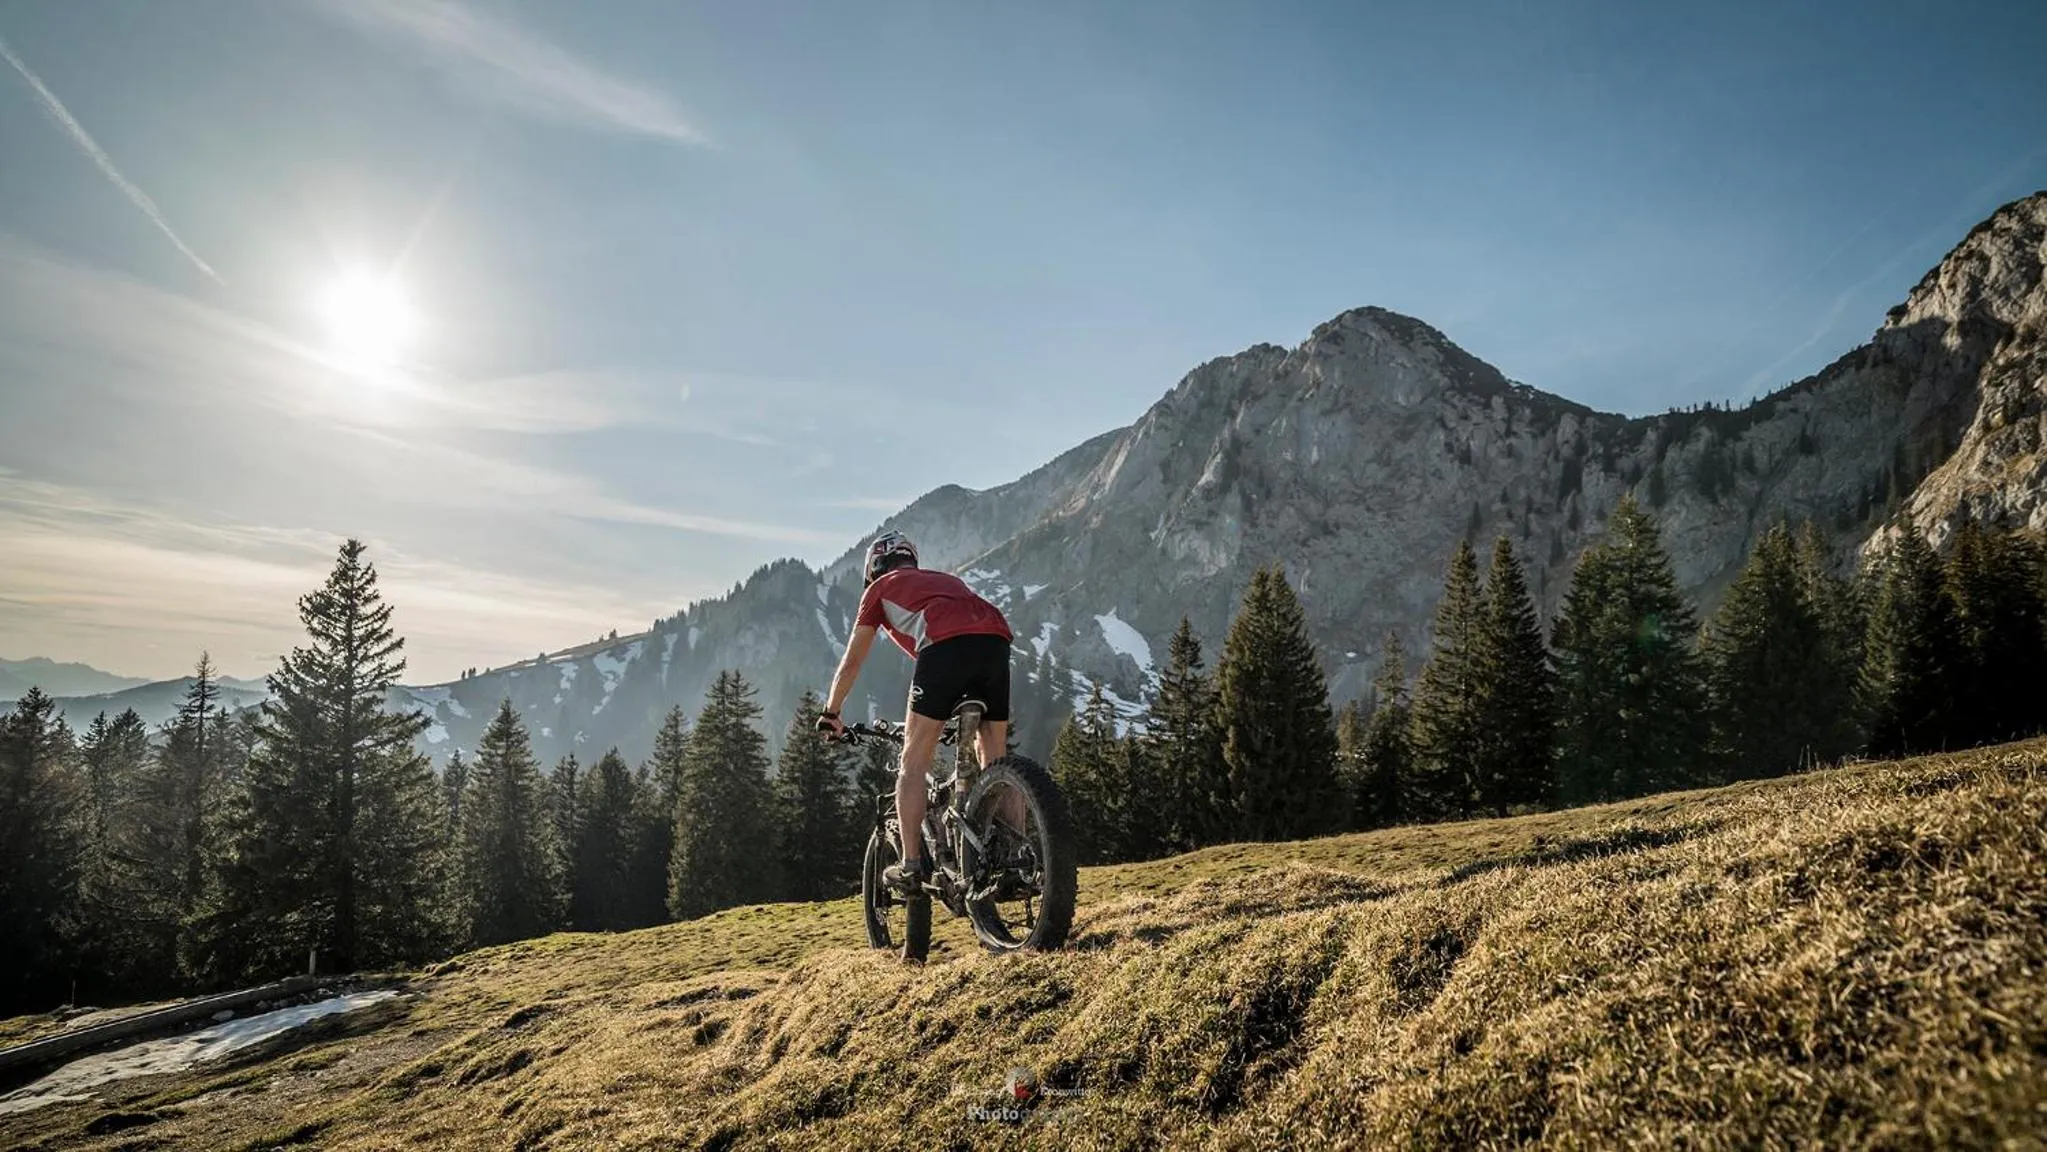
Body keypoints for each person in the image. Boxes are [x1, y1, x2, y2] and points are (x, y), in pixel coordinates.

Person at [818, 530, 1013, 891]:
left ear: (873, 567)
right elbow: (965, 636)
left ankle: (911, 868)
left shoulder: (877, 590)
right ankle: (1016, 854)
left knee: (913, 760)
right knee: (997, 758)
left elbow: (853, 661)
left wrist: (831, 712)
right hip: (996, 639)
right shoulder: (944, 581)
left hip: (945, 648)